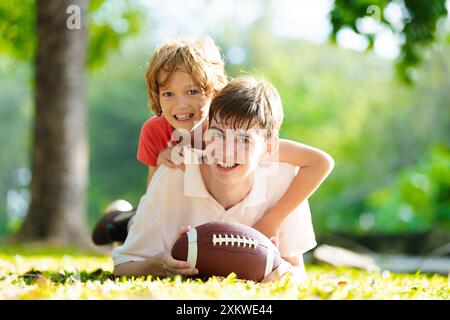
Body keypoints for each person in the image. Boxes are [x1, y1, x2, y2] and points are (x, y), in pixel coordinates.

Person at [92, 35, 333, 248]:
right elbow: (154, 202)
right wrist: (161, 160)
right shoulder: (155, 130)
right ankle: (118, 219)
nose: (181, 104)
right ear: (157, 97)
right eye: (168, 94)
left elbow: (319, 162)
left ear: (216, 91)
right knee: (134, 223)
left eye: (193, 91)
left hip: (215, 215)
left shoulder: (230, 132)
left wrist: (271, 221)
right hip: (167, 211)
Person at [112, 76, 334, 281]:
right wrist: (159, 264)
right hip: (142, 222)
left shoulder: (284, 181)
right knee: (128, 227)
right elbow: (122, 268)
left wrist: (278, 270)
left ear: (268, 149)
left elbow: (296, 272)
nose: (226, 152)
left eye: (244, 140)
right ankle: (116, 218)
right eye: (217, 134)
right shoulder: (174, 173)